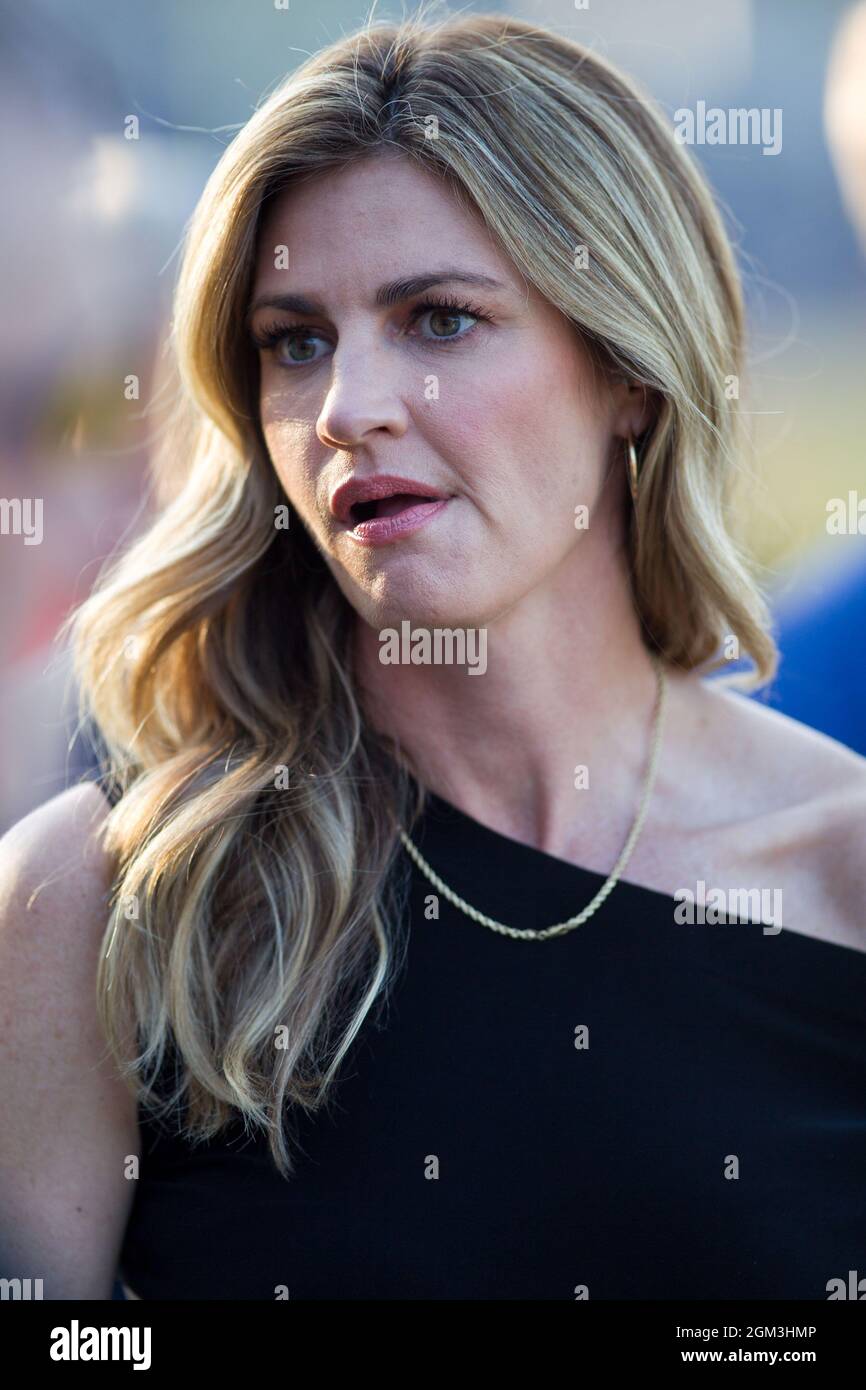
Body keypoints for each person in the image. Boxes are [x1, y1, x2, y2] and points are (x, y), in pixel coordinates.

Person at [1, 11, 863, 1302]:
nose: (348, 406)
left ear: (626, 367)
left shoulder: (839, 874)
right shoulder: (97, 904)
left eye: (439, 320)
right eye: (296, 341)